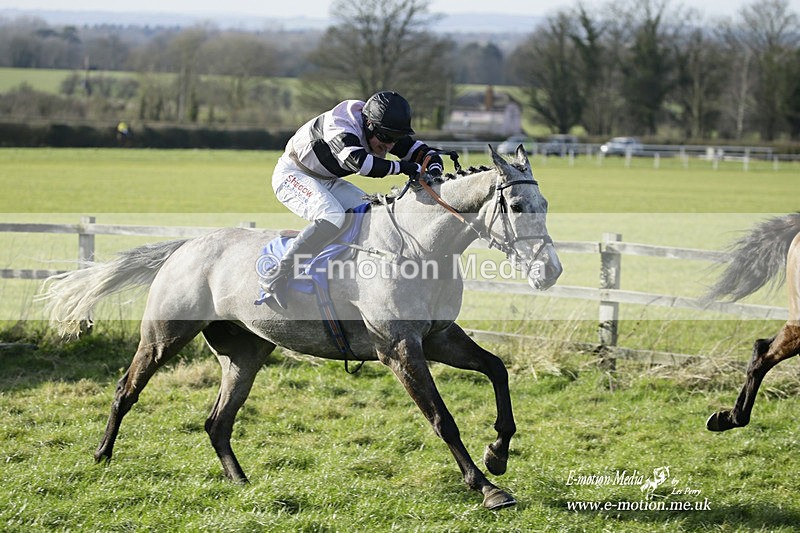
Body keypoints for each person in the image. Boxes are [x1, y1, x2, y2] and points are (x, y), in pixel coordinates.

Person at [264, 90, 444, 309]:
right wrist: (406, 168)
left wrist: (433, 164)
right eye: (386, 139)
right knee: (332, 216)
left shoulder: (381, 128)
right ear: (368, 124)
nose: (389, 146)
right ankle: (276, 275)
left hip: (327, 178)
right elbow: (361, 164)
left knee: (372, 213)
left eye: (394, 139)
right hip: (293, 175)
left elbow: (418, 151)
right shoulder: (341, 125)